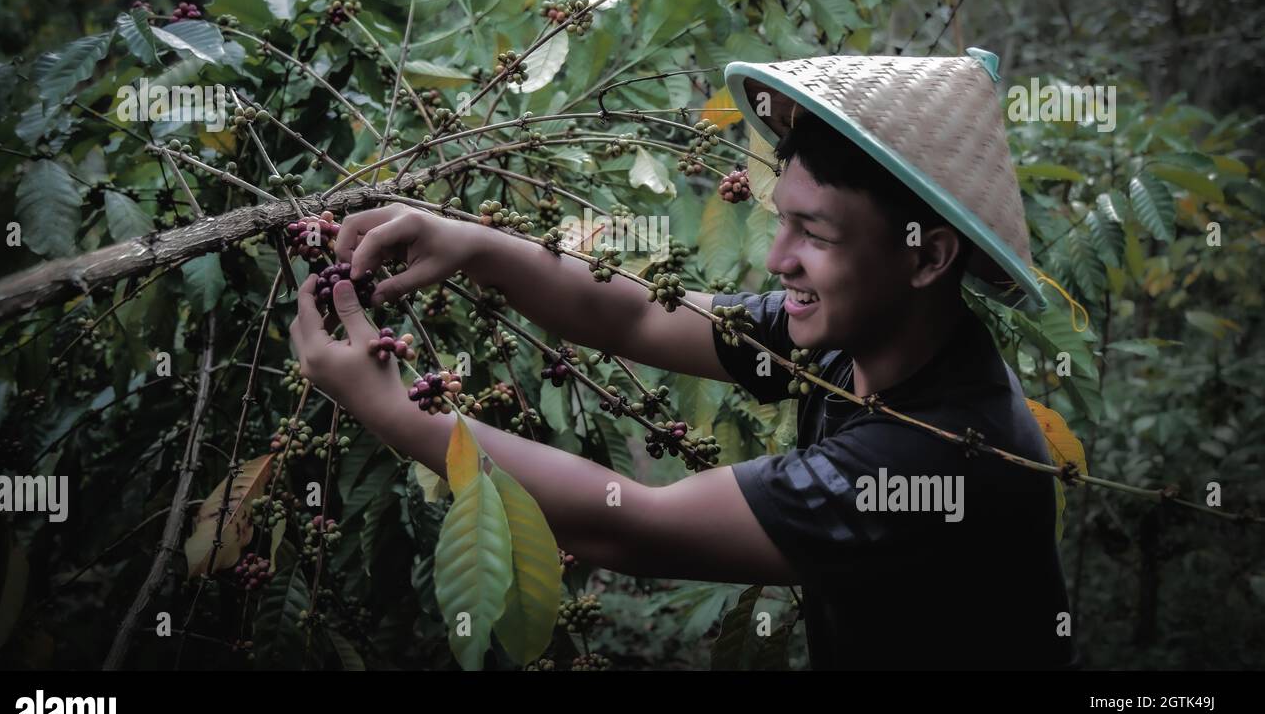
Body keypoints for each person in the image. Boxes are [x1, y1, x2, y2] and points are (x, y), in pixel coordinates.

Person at [289, 49, 1078, 669]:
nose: (776, 259)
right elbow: (636, 314)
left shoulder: (933, 457)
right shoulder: (859, 341)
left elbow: (630, 525)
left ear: (926, 256)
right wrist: (468, 243)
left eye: (818, 236)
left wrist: (394, 411)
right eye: (782, 222)